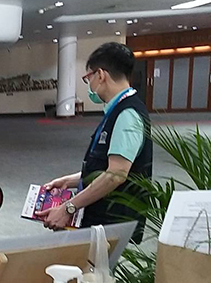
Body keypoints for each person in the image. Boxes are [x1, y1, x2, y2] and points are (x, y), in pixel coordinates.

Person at [37, 42, 152, 243]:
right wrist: (70, 180)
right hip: (102, 216)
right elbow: (105, 167)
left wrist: (68, 208)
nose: (89, 84)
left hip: (111, 220)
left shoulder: (127, 115)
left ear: (100, 75)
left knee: (96, 272)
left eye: (87, 78)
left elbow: (115, 175)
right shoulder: (117, 110)